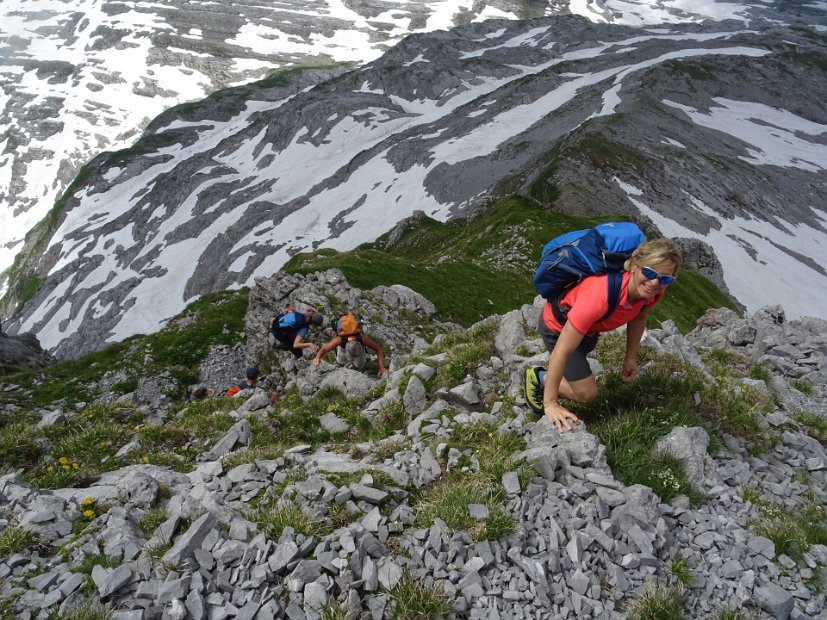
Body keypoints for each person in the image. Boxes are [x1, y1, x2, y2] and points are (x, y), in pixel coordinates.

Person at [524, 238, 682, 433]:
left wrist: (630, 358)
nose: (655, 282)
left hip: (588, 332)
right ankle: (538, 376)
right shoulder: (600, 295)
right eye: (648, 272)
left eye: (665, 278)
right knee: (587, 394)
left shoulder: (651, 292)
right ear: (633, 265)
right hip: (556, 327)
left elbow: (639, 318)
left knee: (580, 370)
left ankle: (552, 378)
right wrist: (550, 404)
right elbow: (562, 350)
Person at [312, 312, 387, 377]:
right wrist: (317, 357)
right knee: (340, 360)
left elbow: (378, 349)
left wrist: (381, 367)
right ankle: (340, 363)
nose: (351, 357)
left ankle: (356, 365)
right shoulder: (340, 339)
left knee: (360, 365)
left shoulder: (361, 338)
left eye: (352, 355)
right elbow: (325, 348)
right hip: (343, 346)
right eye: (350, 355)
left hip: (357, 348)